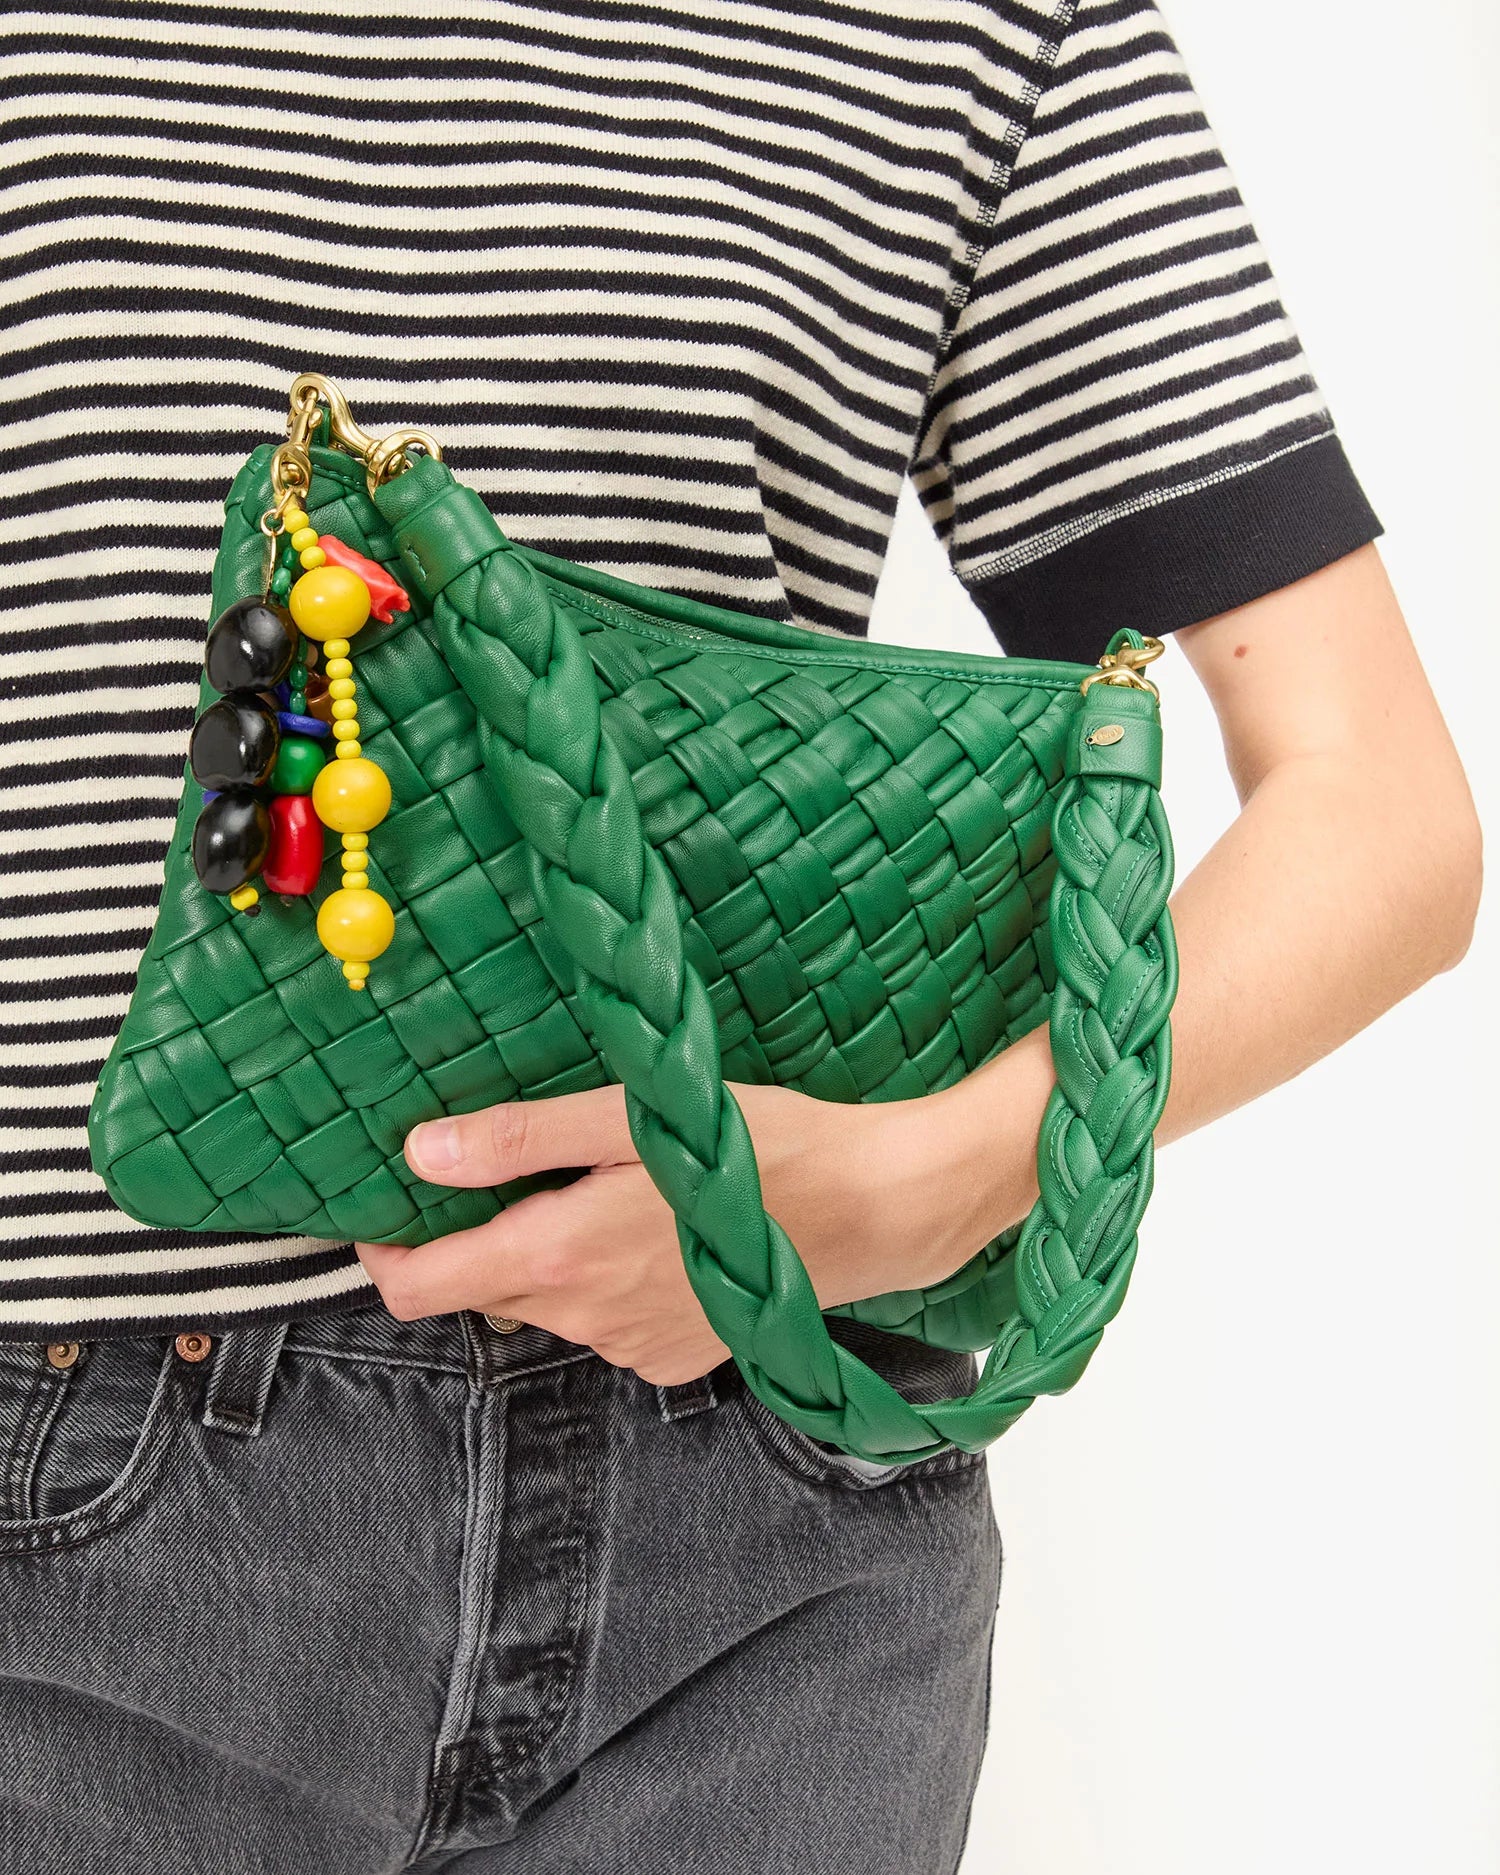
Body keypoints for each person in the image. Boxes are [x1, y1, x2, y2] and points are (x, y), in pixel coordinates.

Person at [0, 2, 1480, 1870]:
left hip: (771, 1503)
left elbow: (1384, 810)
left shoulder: (986, 30)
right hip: (68, 1500)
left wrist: (939, 1177)